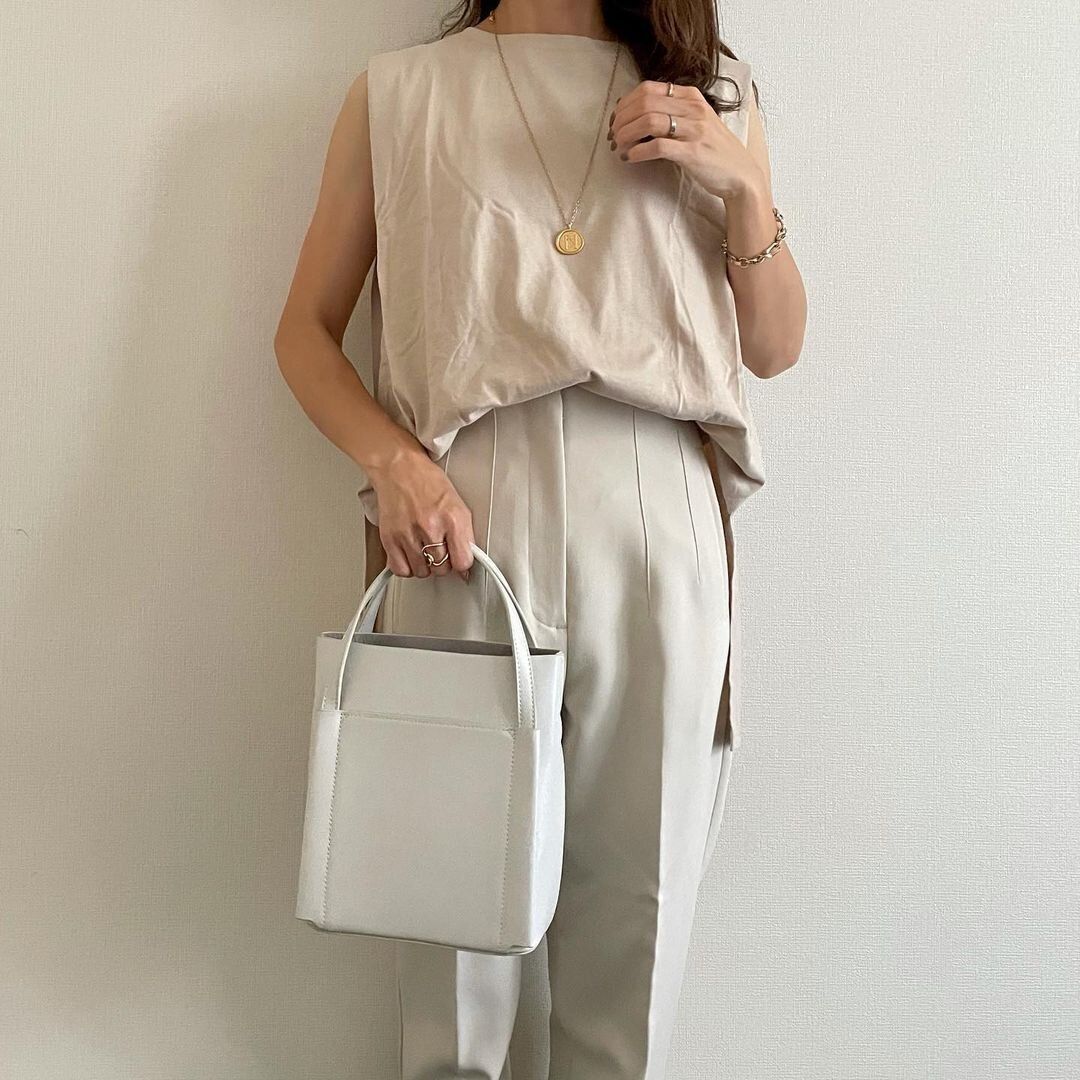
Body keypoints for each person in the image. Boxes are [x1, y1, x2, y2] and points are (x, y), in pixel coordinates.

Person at [275, 1, 806, 1076]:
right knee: (451, 953)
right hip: (458, 523)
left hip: (656, 511)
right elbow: (304, 332)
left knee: (633, 953)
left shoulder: (715, 91)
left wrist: (741, 184)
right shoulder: (399, 95)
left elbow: (775, 344)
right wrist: (394, 465)